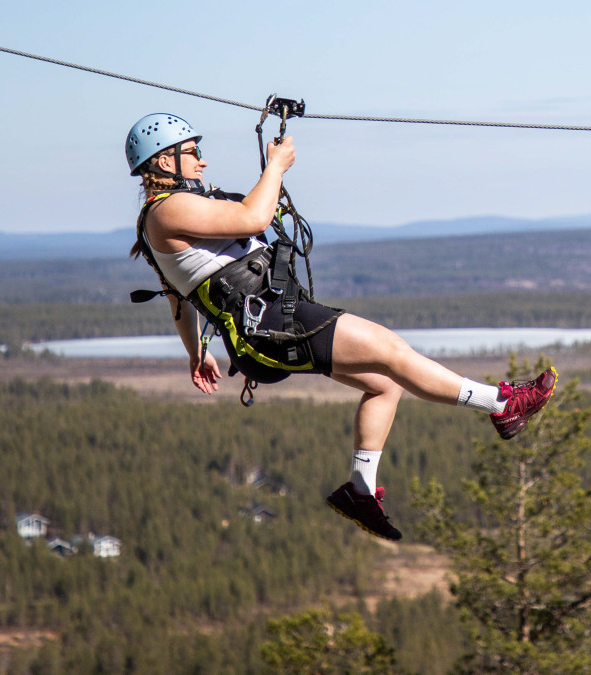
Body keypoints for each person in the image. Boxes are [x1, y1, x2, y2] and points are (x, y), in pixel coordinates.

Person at [126, 113, 558, 541]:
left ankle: (360, 489)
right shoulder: (169, 210)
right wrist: (275, 167)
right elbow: (253, 219)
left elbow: (176, 299)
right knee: (391, 350)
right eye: (193, 152)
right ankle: (501, 405)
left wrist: (195, 353)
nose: (201, 161)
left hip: (269, 327)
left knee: (385, 384)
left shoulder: (167, 215)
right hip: (274, 323)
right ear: (165, 162)